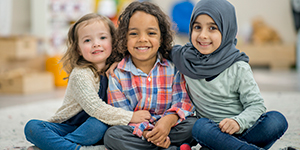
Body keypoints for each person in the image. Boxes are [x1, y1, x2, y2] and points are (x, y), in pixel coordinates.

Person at [170, 0, 288, 149]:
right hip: (212, 132)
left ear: (227, 30)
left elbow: (256, 106)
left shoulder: (238, 67)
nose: (203, 35)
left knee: (277, 120)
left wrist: (238, 122)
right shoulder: (185, 59)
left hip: (244, 129)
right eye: (197, 27)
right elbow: (159, 48)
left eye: (212, 28)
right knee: (199, 126)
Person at [24, 13, 151, 150]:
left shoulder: (118, 67)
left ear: (113, 41)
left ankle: (53, 146)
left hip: (95, 126)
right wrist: (131, 116)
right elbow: (95, 108)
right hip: (69, 125)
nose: (96, 44)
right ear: (78, 49)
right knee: (32, 127)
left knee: (100, 124)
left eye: (102, 37)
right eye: (87, 41)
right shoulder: (81, 74)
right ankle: (72, 148)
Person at [103, 1, 197, 150]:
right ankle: (166, 147)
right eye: (134, 33)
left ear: (161, 38)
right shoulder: (117, 74)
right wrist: (147, 132)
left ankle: (155, 145)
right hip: (138, 131)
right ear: (124, 38)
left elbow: (183, 102)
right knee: (112, 135)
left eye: (151, 33)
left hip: (170, 126)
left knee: (195, 126)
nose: (142, 39)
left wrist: (167, 122)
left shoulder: (173, 68)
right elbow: (122, 115)